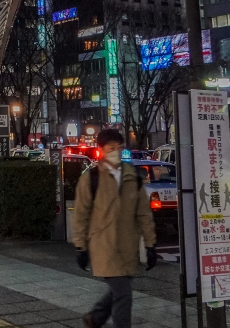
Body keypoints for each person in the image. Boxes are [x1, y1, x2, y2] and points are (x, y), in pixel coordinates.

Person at [72, 129, 156, 328]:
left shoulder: (132, 177)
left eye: (119, 147)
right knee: (123, 294)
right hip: (103, 245)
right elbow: (81, 215)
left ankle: (95, 318)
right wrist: (80, 246)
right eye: (111, 148)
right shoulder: (91, 178)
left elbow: (144, 214)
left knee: (119, 289)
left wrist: (151, 245)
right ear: (101, 150)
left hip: (128, 245)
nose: (116, 152)